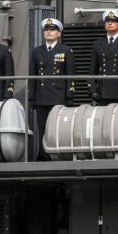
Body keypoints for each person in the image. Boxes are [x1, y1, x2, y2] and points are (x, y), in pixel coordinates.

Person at [28, 18, 76, 159]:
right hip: (42, 96)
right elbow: (32, 75)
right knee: (42, 127)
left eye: (52, 30)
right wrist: (32, 96)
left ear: (58, 33)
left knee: (58, 128)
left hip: (58, 95)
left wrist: (70, 95)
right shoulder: (37, 51)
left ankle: (58, 155)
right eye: (46, 30)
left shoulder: (66, 50)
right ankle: (43, 155)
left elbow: (70, 74)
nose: (48, 32)